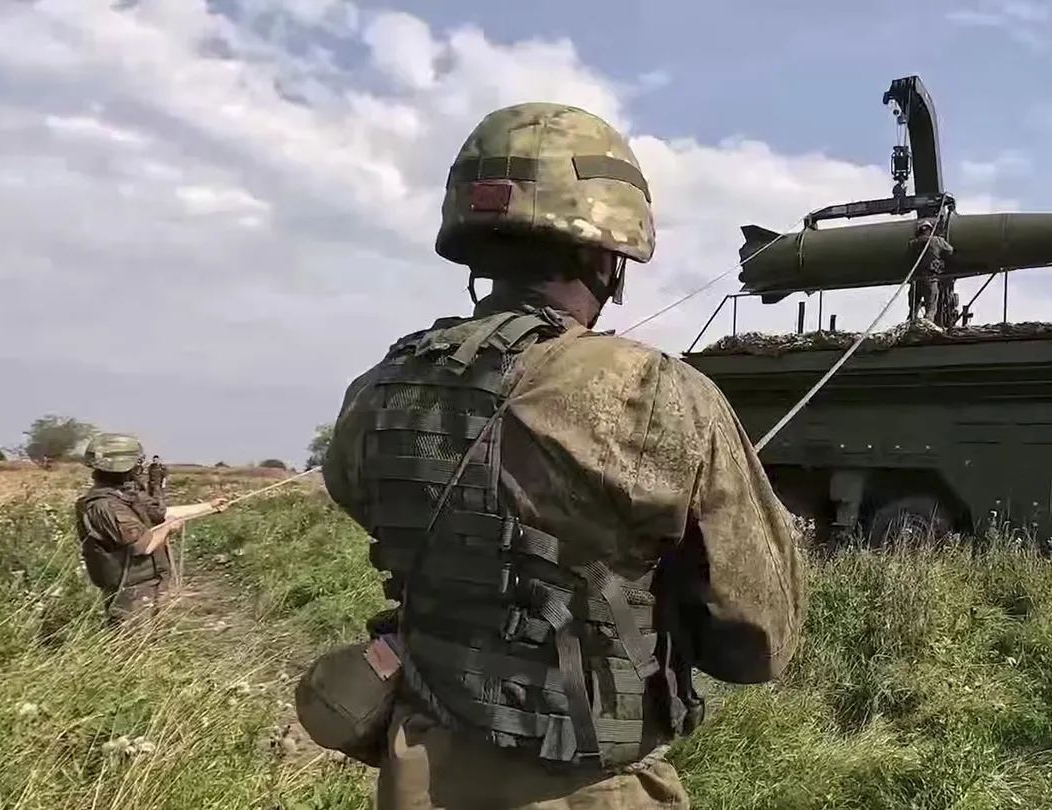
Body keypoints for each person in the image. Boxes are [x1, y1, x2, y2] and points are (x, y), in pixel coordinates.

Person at [321, 102, 806, 810]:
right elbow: (757, 643)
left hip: (416, 770)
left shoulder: (377, 390)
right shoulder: (659, 392)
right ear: (610, 253)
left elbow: (365, 499)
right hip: (589, 786)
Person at [74, 433, 226, 625]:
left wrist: (210, 506)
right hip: (130, 592)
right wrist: (168, 528)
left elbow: (162, 513)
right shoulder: (105, 505)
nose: (140, 467)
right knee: (130, 650)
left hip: (145, 586)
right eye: (137, 462)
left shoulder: (121, 496)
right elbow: (143, 545)